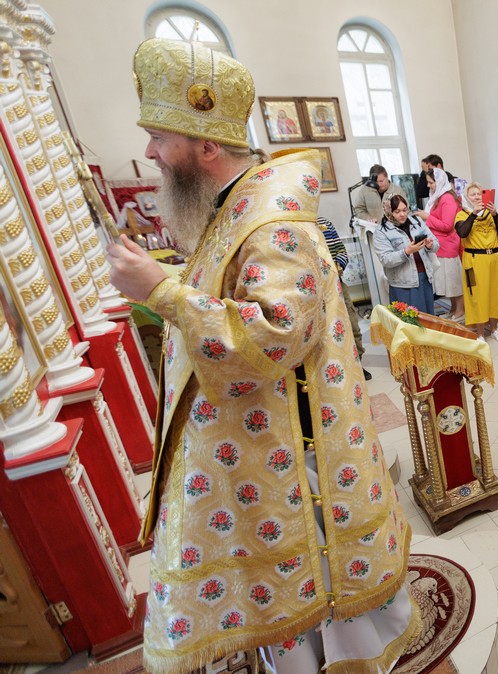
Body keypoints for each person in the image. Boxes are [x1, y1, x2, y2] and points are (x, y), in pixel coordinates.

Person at [106, 38, 416, 674]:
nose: (150, 153)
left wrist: (162, 292)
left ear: (206, 146)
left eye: (159, 137)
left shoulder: (273, 224)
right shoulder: (235, 205)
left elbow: (277, 332)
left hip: (301, 459)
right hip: (263, 445)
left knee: (326, 606)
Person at [318, 216, 370, 379]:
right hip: (316, 291)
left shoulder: (325, 223)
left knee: (352, 324)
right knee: (328, 331)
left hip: (338, 284)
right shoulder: (297, 228)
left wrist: (339, 265)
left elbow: (341, 250)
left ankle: (358, 364)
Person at [455, 182, 498, 342]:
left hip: (494, 259)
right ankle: (479, 333)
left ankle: (494, 329)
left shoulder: (491, 213)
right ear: (467, 197)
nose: (477, 197)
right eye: (473, 194)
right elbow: (462, 233)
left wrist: (495, 214)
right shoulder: (462, 215)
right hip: (475, 261)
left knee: (495, 294)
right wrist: (473, 214)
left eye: (479, 194)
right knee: (477, 296)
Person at [375, 193, 439, 313]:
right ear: (389, 211)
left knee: (428, 317)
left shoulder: (417, 221)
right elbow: (386, 259)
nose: (402, 214)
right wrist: (407, 252)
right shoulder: (382, 231)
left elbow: (435, 243)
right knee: (409, 320)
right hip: (403, 284)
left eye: (405, 210)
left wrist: (430, 245)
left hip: (425, 277)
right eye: (397, 211)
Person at [425, 167, 466, 321]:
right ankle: (454, 309)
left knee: (454, 282)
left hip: (448, 246)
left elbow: (447, 225)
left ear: (439, 181)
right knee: (448, 283)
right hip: (440, 246)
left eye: (431, 182)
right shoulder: (439, 197)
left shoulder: (447, 199)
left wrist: (427, 217)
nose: (428, 185)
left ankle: (460, 310)